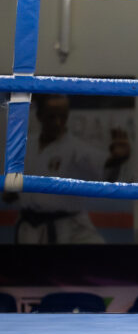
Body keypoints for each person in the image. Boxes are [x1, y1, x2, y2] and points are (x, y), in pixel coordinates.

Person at [5, 94, 130, 244]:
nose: (58, 122)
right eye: (51, 117)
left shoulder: (75, 149)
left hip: (69, 229)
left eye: (63, 117)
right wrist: (12, 192)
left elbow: (104, 166)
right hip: (29, 228)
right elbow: (13, 188)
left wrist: (117, 160)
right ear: (39, 116)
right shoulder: (26, 146)